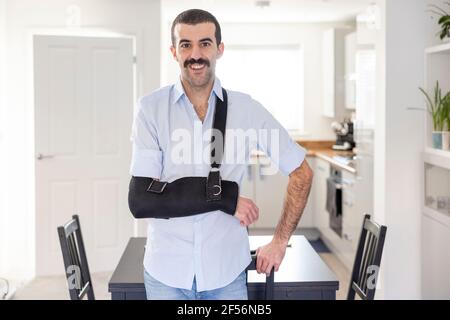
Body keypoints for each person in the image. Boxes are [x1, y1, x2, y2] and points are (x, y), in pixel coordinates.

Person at [129, 8, 314, 300]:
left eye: (205, 43)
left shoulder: (247, 110)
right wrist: (226, 198)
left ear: (219, 49)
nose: (196, 54)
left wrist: (279, 242)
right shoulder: (150, 109)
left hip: (226, 273)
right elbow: (141, 200)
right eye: (185, 45)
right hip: (167, 272)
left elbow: (301, 172)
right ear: (173, 52)